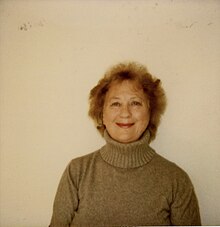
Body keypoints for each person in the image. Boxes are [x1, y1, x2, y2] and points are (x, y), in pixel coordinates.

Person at [49, 62, 201, 226]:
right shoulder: (77, 172)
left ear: (151, 112)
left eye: (135, 103)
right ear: (102, 114)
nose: (125, 113)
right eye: (115, 104)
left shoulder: (176, 180)